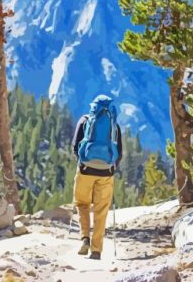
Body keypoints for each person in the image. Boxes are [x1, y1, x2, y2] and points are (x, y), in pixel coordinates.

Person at [72, 94, 122, 260]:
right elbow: (119, 153)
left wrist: (82, 162)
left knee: (82, 203)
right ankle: (96, 250)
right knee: (101, 211)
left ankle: (84, 237)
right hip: (106, 172)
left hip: (85, 169)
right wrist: (111, 167)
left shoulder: (85, 120)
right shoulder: (114, 126)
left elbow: (75, 146)